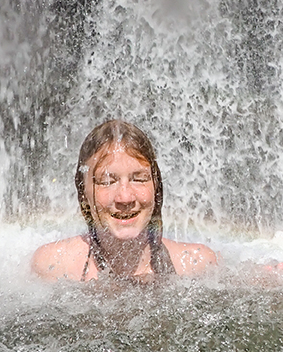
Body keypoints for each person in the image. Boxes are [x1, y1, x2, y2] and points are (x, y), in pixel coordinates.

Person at [32, 119, 218, 282]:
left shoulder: (197, 266)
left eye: (139, 179)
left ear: (156, 186)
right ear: (83, 192)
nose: (125, 197)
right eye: (107, 181)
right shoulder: (53, 267)